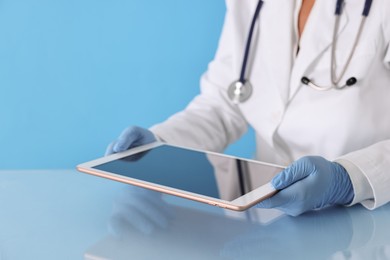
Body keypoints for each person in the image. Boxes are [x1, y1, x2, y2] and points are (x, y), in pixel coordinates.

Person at [106, 0, 390, 216]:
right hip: (267, 215)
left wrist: (351, 178)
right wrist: (162, 145)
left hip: (366, 216)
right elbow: (224, 101)